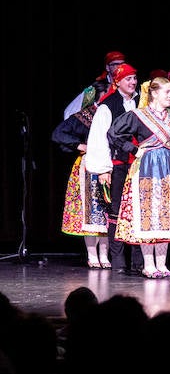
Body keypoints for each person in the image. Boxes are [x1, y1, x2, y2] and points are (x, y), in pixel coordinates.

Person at [107, 77, 170, 278]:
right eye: (167, 92)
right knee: (148, 215)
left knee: (165, 215)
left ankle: (162, 264)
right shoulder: (137, 115)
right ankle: (148, 264)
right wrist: (133, 149)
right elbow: (114, 133)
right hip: (147, 169)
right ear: (154, 93)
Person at [82, 62, 142, 273]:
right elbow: (99, 139)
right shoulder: (108, 106)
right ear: (117, 82)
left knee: (136, 211)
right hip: (117, 164)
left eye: (134, 78)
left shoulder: (140, 102)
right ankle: (118, 259)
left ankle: (138, 260)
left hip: (137, 164)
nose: (133, 82)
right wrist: (104, 169)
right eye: (128, 78)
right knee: (116, 211)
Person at [51, 100, 110, 268]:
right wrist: (80, 145)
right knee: (90, 212)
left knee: (107, 211)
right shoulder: (88, 115)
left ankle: (104, 255)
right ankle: (92, 255)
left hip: (110, 164)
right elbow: (59, 133)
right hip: (89, 165)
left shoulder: (115, 111)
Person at [62, 50, 125, 120]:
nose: (120, 67)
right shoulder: (96, 88)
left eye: (122, 64)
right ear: (107, 67)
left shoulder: (130, 86)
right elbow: (70, 111)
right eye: (116, 64)